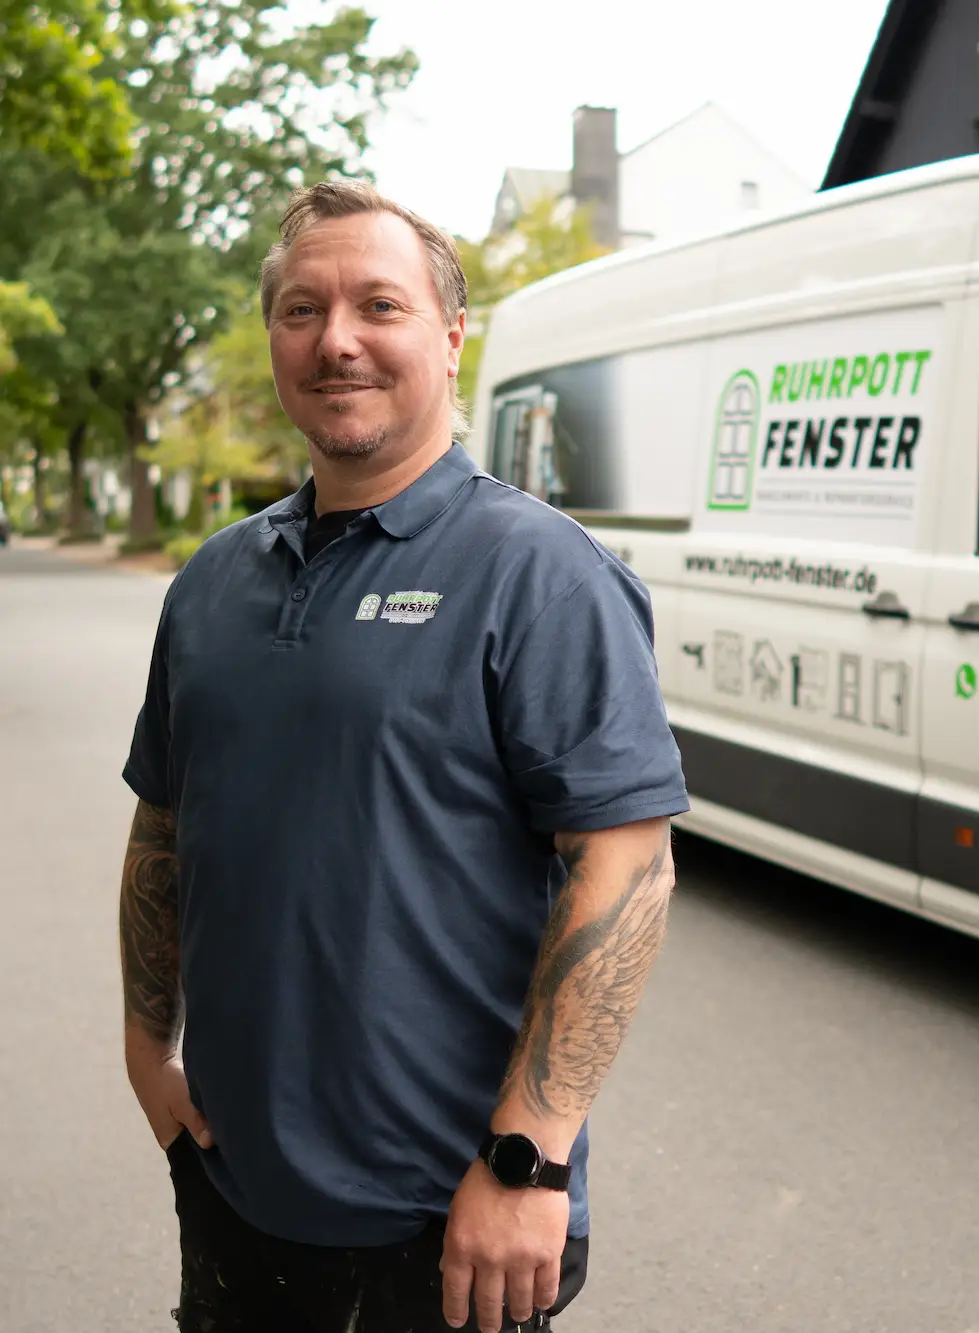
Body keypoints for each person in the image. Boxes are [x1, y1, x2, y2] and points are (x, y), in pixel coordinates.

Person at [119, 179, 689, 1333]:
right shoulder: (212, 582)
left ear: (448, 333)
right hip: (234, 1185)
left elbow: (627, 869)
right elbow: (165, 827)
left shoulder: (540, 575)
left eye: (378, 305)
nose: (337, 341)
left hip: (450, 1217)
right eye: (301, 311)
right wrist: (146, 1052)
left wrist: (527, 1160)